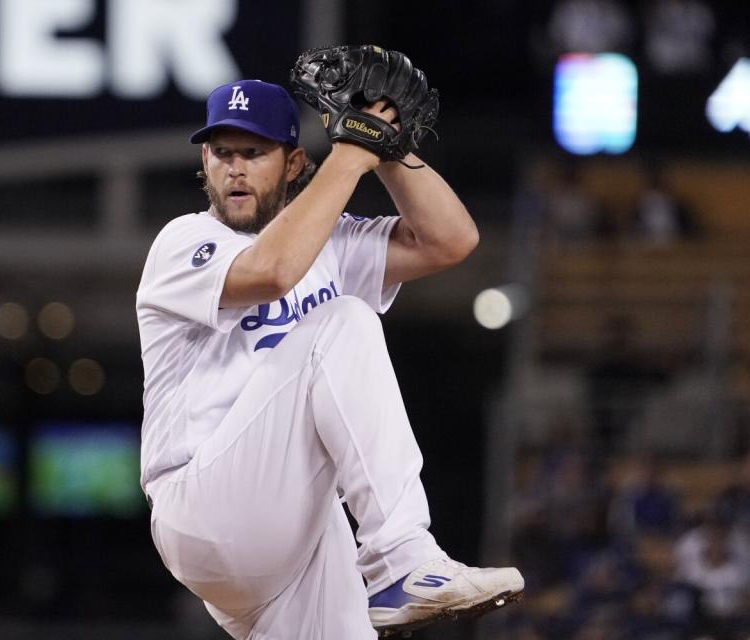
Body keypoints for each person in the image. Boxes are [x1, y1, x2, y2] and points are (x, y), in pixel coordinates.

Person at [136, 78, 524, 639]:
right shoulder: (183, 243)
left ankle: (400, 566)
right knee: (344, 321)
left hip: (298, 529)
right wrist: (350, 154)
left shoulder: (332, 243)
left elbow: (450, 241)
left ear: (294, 164)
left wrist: (387, 148)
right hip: (202, 504)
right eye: (223, 153)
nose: (236, 168)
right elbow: (272, 270)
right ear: (205, 159)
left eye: (255, 152)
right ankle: (401, 558)